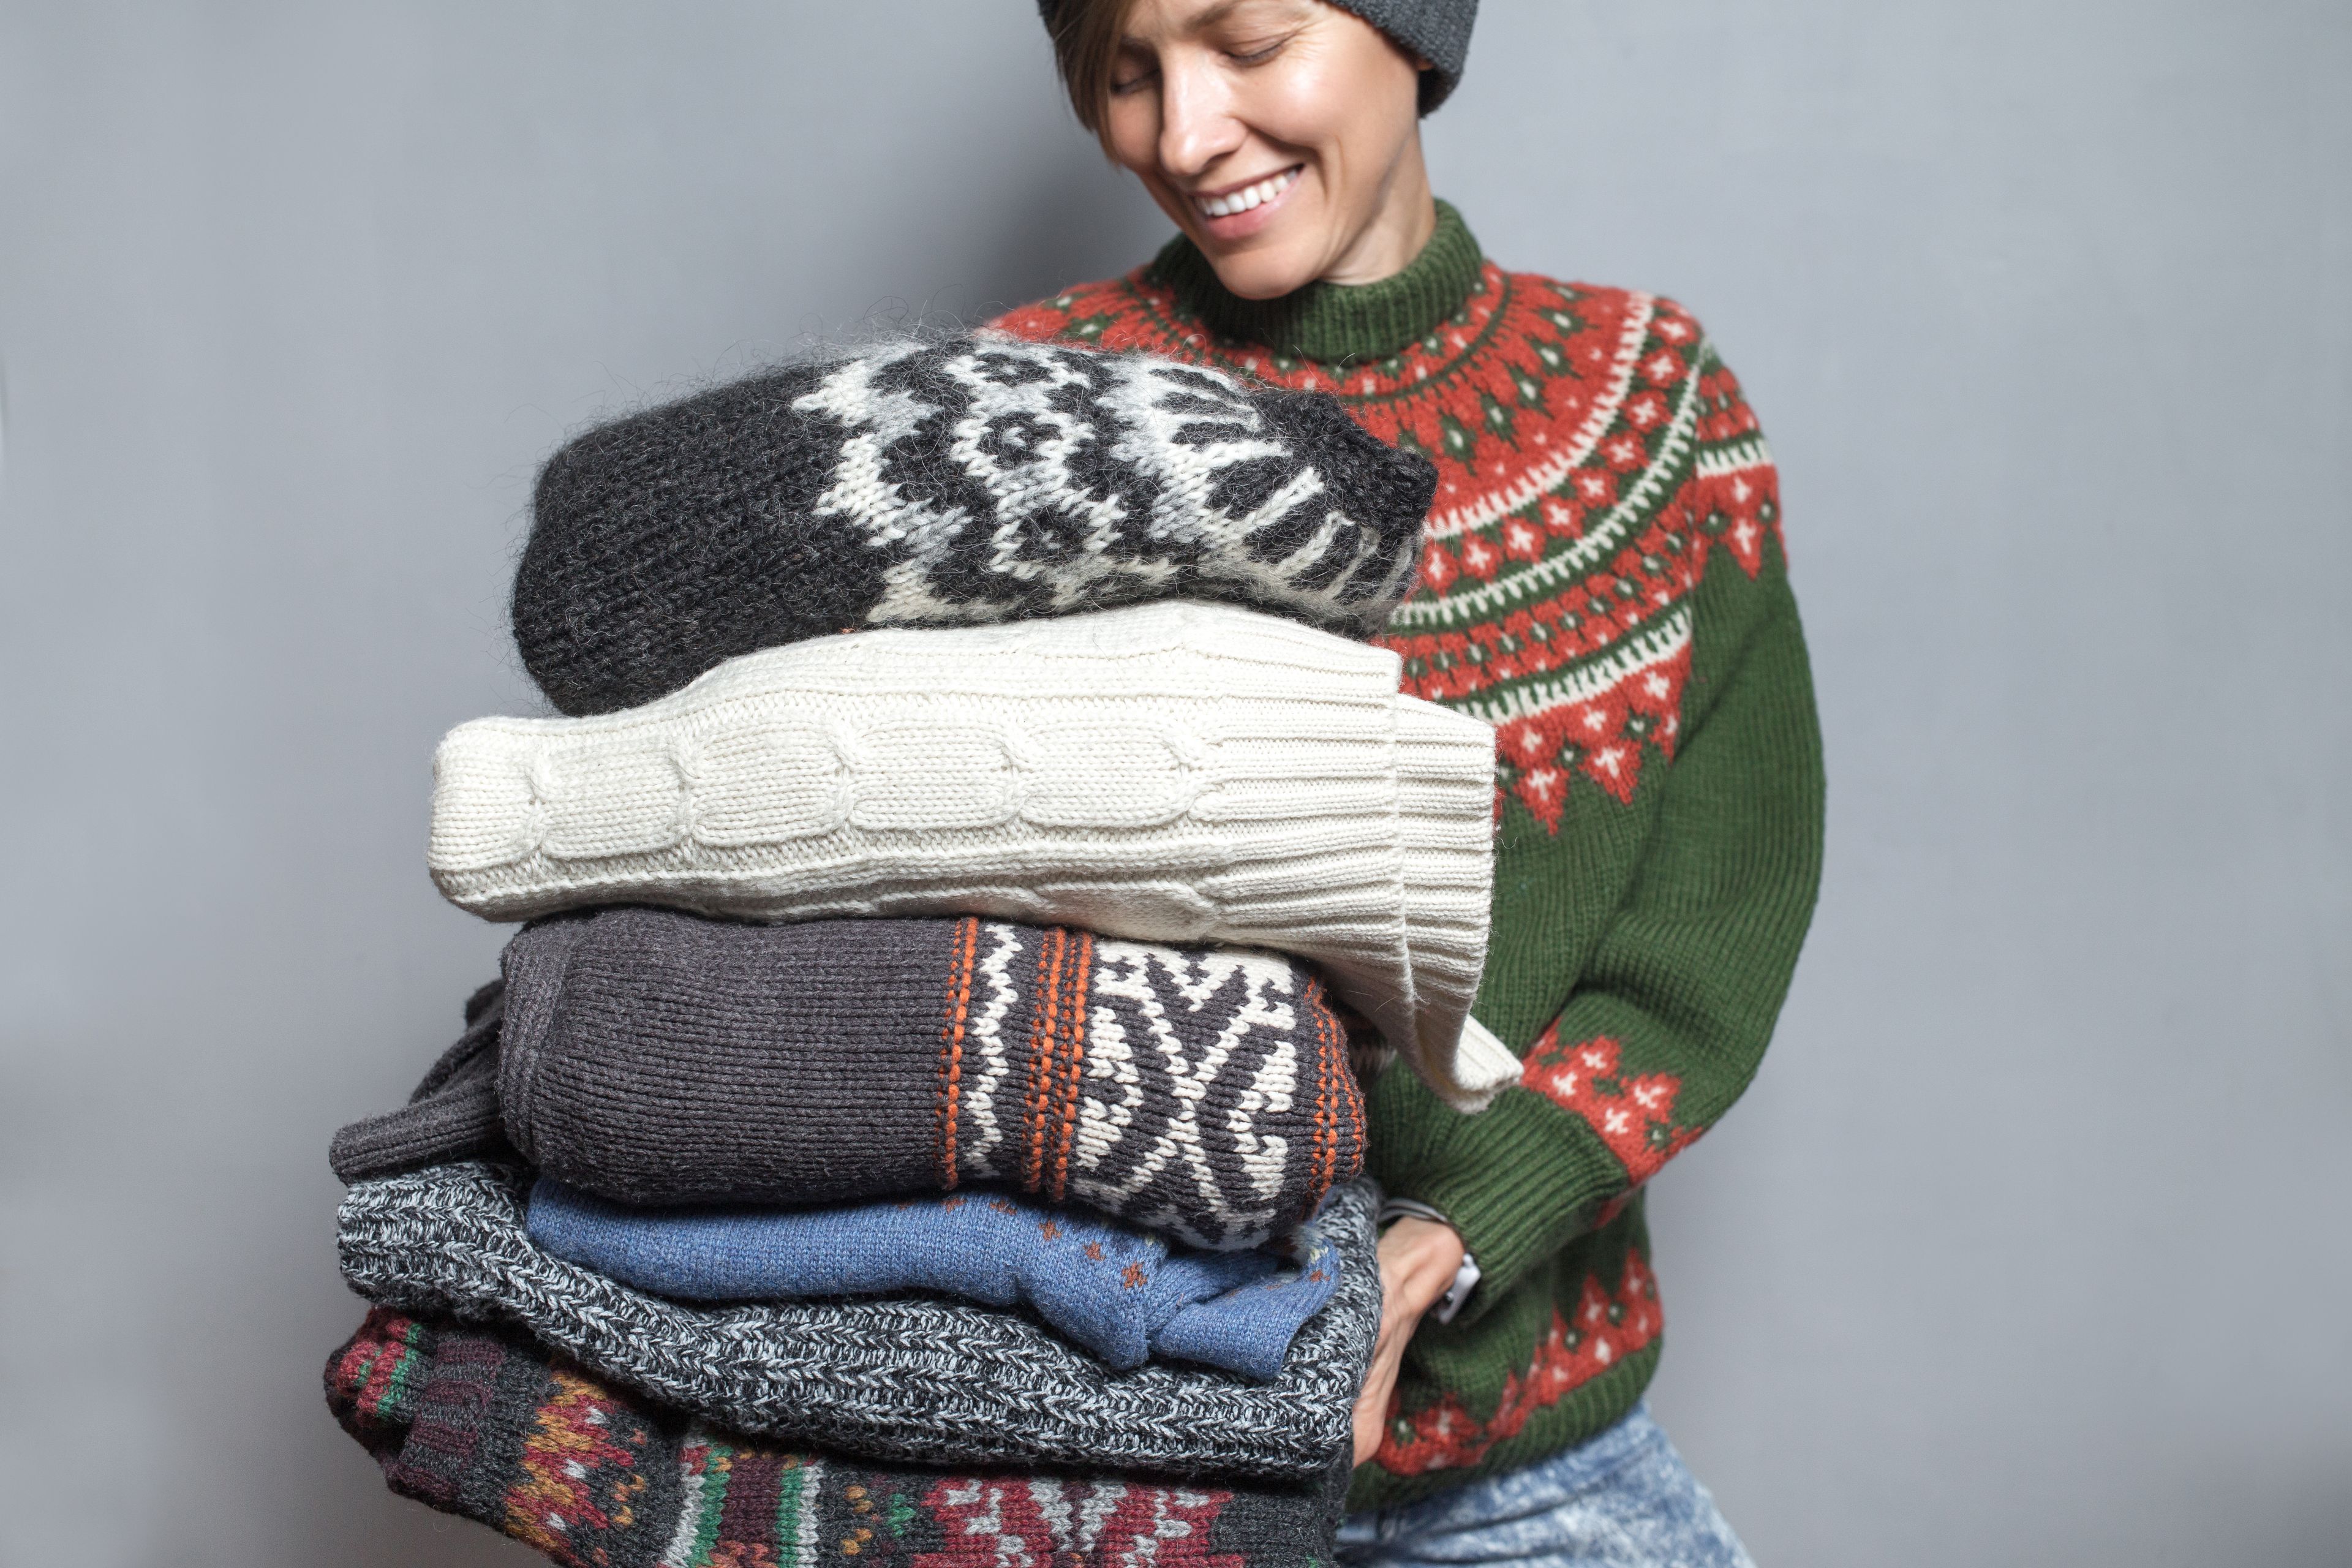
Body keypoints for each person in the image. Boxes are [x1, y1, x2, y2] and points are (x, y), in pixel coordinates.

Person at [999, 3, 1826, 1564]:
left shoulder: (1658, 415)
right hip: (1100, 1488)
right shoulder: (1026, 413)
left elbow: (1710, 945)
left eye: (1245, 42)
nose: (1182, 135)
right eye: (1127, 74)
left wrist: (1443, 1241)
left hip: (1526, 1470)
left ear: (1411, 30)